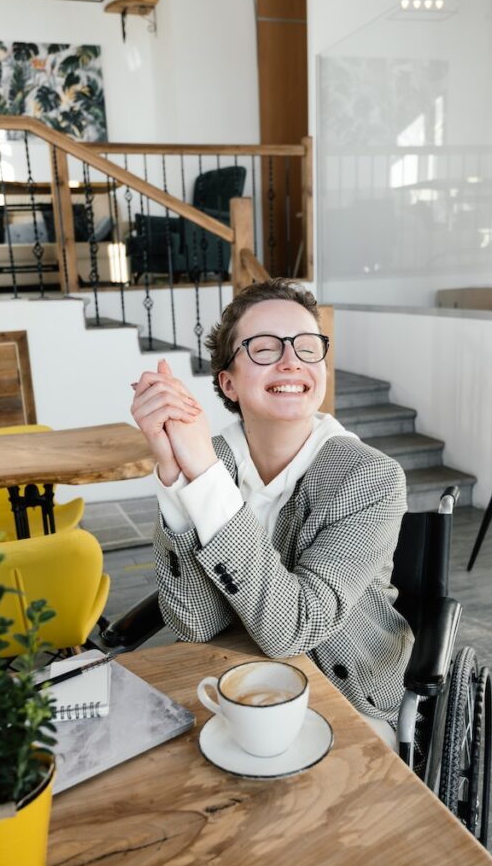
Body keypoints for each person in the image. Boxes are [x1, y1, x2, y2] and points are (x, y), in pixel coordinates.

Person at [130, 279, 413, 748]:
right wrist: (173, 475)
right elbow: (196, 624)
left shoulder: (371, 477)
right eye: (263, 348)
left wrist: (200, 475)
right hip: (232, 682)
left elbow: (292, 630)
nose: (291, 361)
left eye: (307, 347)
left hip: (344, 694)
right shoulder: (210, 458)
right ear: (228, 382)